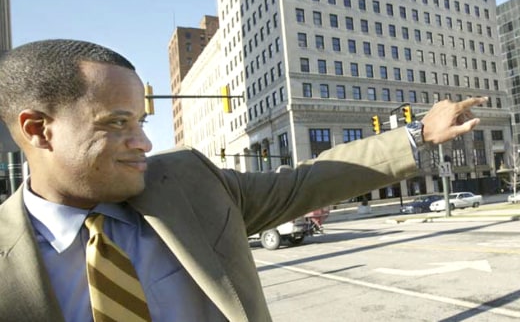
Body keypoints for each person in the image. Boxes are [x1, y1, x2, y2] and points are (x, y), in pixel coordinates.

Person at [0, 39, 486, 322]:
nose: (143, 143)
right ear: (38, 129)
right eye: (116, 123)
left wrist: (419, 135)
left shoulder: (189, 182)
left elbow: (305, 182)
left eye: (142, 123)